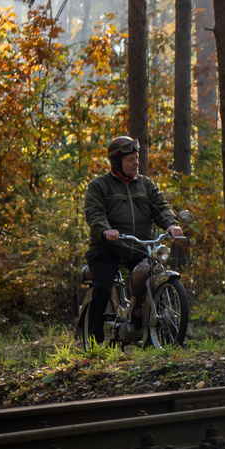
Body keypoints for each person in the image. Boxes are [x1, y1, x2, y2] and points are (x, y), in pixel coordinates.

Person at [83, 137, 183, 342]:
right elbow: (95, 213)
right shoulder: (100, 186)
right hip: (108, 247)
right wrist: (106, 230)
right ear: (116, 163)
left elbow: (161, 207)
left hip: (139, 246)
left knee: (155, 275)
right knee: (102, 287)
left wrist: (171, 224)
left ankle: (149, 328)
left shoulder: (145, 185)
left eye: (136, 158)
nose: (136, 163)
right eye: (130, 160)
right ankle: (94, 340)